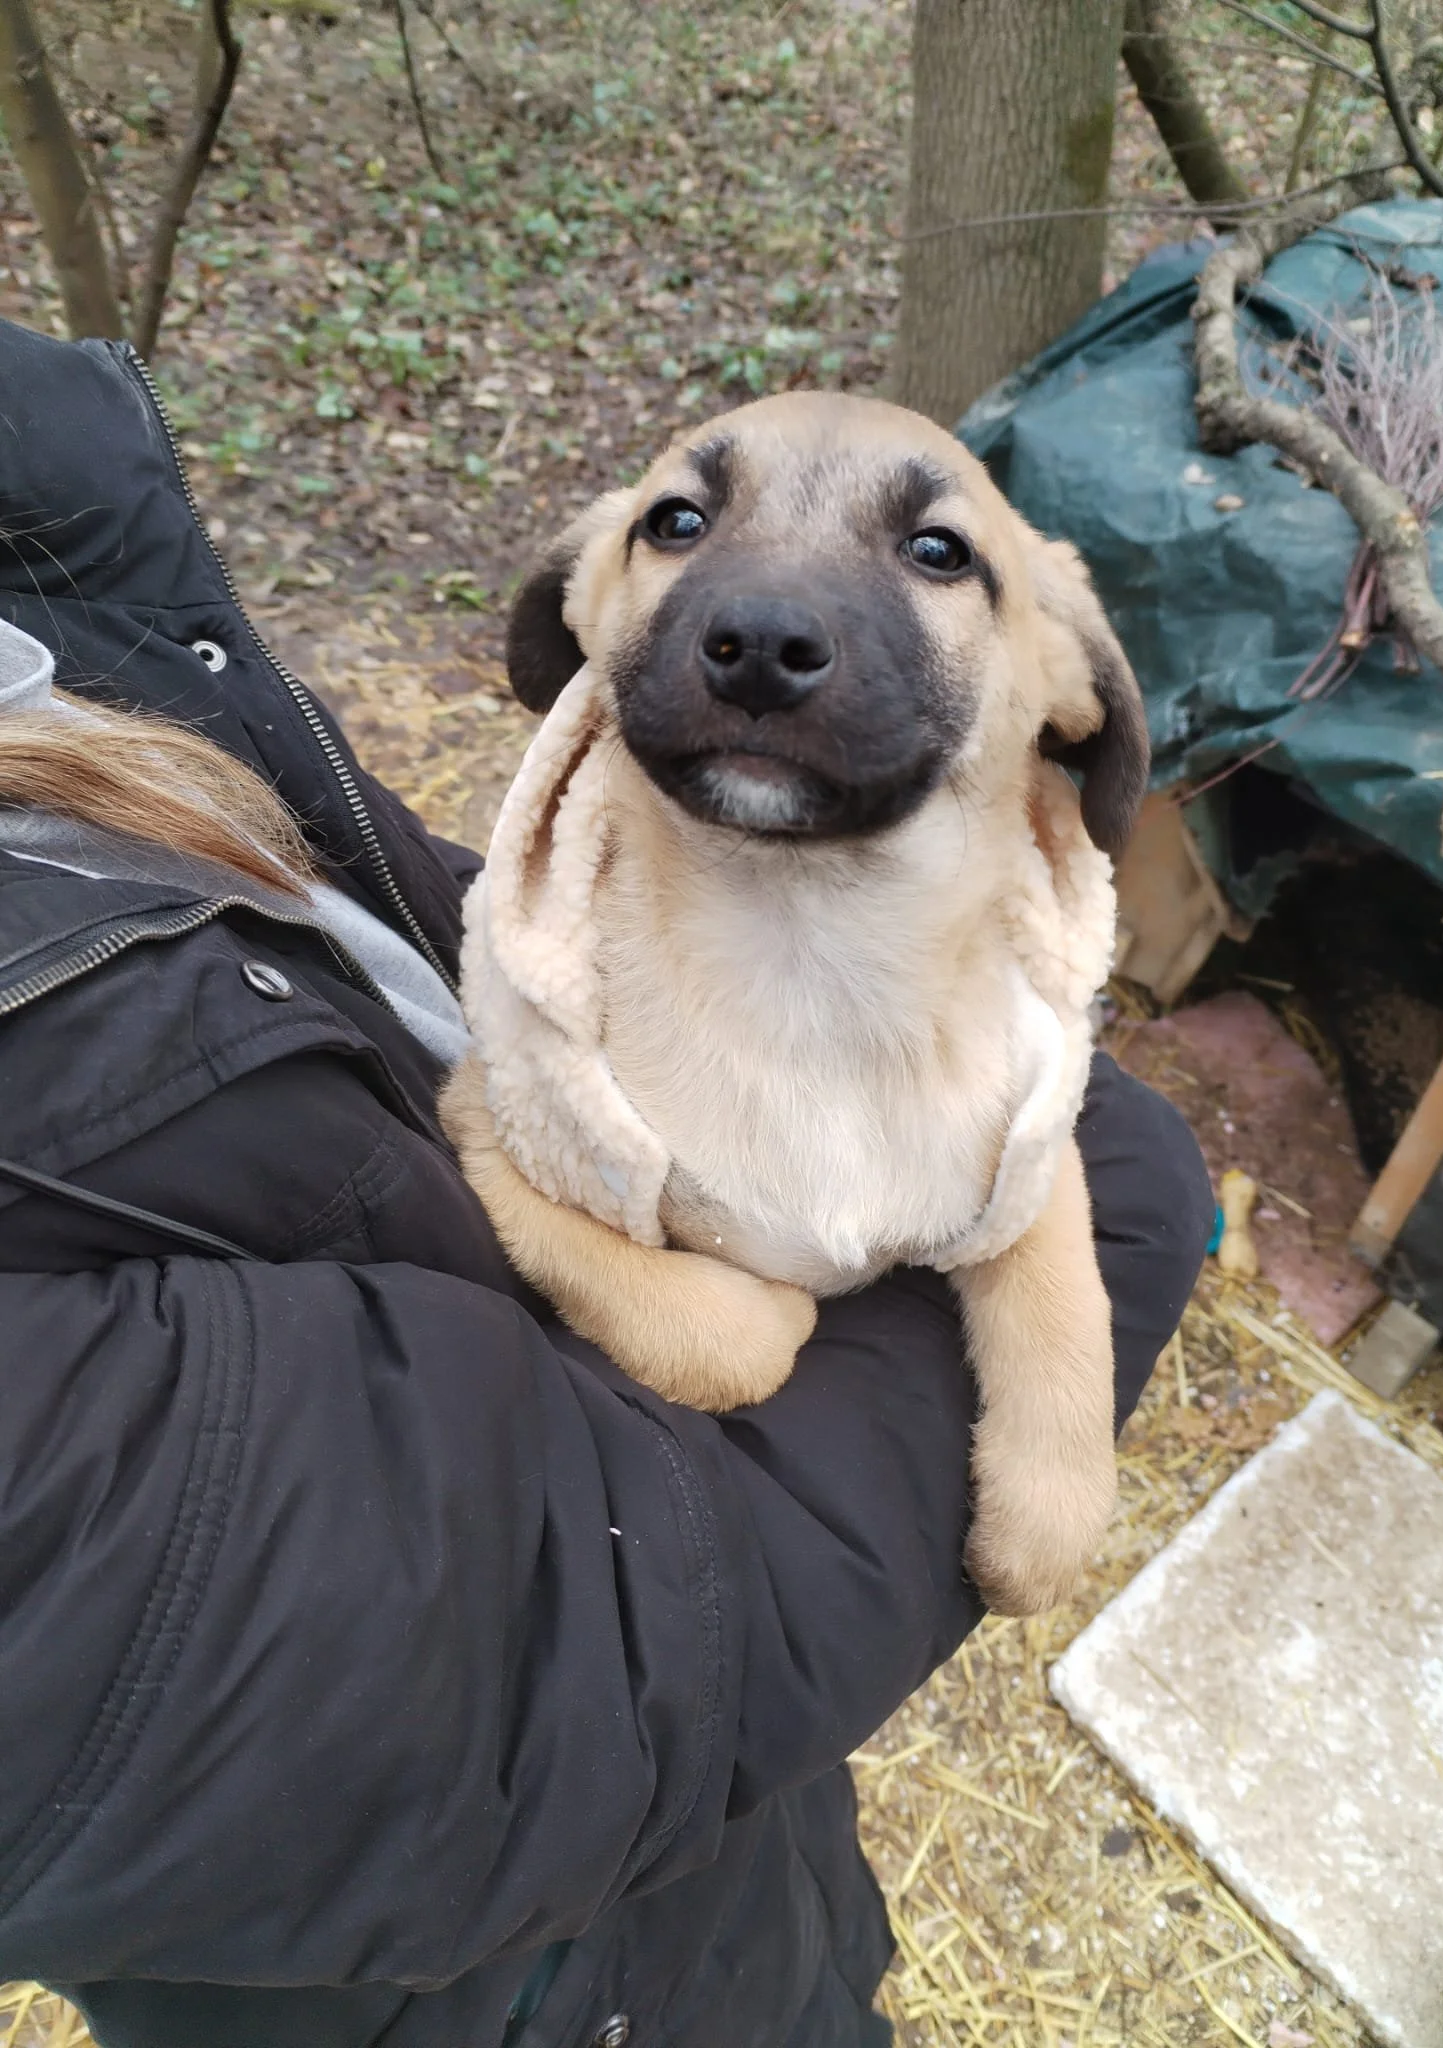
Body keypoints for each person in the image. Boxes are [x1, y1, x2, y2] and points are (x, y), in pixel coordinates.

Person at [0, 314, 1213, 2048]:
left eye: (935, 554)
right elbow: (509, 1641)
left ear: (1067, 700)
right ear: (576, 616)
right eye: (682, 528)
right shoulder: (557, 1029)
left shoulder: (58, 609)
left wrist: (1067, 1283)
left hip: (754, 1908)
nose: (773, 613)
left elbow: (1038, 1184)